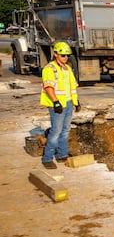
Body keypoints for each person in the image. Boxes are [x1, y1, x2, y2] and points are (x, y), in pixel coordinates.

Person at [40, 41, 80, 169]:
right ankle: (47, 158)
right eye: (63, 55)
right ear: (55, 54)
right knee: (56, 131)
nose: (65, 58)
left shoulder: (67, 68)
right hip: (57, 105)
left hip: (68, 103)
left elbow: (72, 87)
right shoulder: (49, 69)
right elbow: (48, 87)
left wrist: (76, 101)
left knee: (65, 130)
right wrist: (55, 102)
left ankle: (62, 154)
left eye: (67, 55)